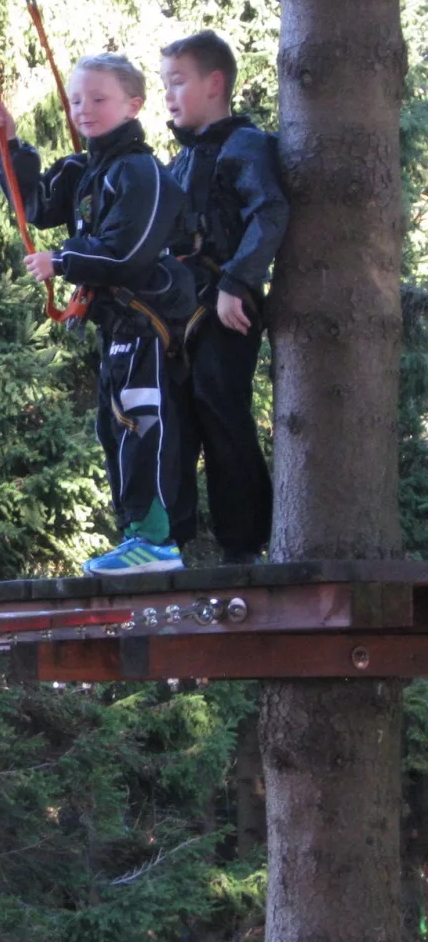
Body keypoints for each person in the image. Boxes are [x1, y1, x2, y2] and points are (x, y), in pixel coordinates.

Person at [0, 54, 195, 575]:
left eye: (98, 100)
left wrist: (61, 261)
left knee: (140, 418)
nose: (84, 110)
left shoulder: (141, 172)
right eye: (78, 99)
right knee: (115, 425)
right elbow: (33, 204)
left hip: (146, 317)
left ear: (133, 106)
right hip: (118, 321)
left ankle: (157, 539)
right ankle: (139, 533)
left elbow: (129, 253)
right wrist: (10, 145)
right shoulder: (87, 169)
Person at [160, 31, 288, 564]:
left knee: (220, 407)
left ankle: (244, 542)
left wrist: (238, 282)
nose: (169, 95)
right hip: (178, 310)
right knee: (178, 416)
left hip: (226, 303)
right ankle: (172, 538)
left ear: (215, 84)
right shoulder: (180, 162)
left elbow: (269, 211)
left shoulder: (245, 145)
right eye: (165, 84)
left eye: (178, 82)